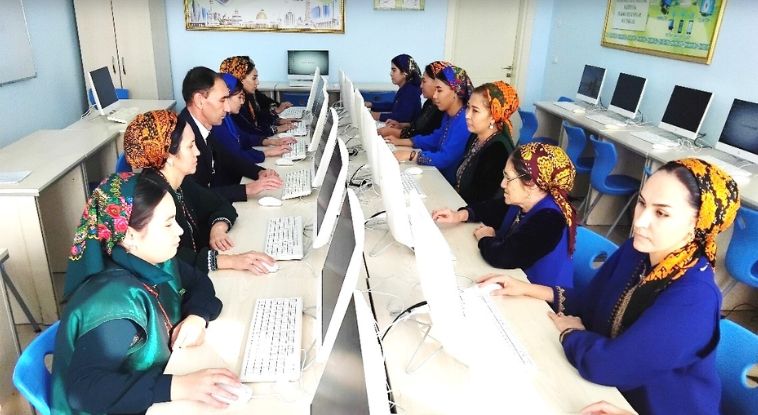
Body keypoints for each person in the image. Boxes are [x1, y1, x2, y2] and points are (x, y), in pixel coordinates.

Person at [481, 158, 740, 414]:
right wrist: (526, 288)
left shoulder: (695, 297)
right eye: (642, 203)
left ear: (698, 225)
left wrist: (570, 334)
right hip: (604, 390)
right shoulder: (636, 252)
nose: (640, 222)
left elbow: (609, 366)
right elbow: (590, 301)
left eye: (661, 213)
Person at [51, 173, 239, 413]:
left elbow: (199, 282)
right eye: (168, 224)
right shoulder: (115, 303)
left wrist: (197, 317)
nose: (180, 231)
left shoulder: (153, 260)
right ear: (129, 236)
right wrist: (179, 386)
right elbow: (85, 392)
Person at [125, 109, 277, 275]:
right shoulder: (154, 199)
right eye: (190, 146)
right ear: (168, 156)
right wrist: (229, 261)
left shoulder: (181, 182)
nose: (197, 152)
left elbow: (220, 203)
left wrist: (218, 228)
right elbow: (168, 259)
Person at [432, 142, 577, 287]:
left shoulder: (550, 219)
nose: (502, 184)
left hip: (536, 295)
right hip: (513, 280)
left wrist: (484, 238)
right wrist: (460, 215)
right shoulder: (523, 200)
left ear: (531, 184)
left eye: (508, 178)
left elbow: (504, 256)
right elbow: (491, 209)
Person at [179, 66, 282, 202]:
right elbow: (194, 196)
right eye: (222, 100)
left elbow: (227, 157)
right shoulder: (182, 137)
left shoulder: (202, 125)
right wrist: (247, 189)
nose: (227, 108)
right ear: (200, 101)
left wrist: (259, 172)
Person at [391, 64, 473, 184]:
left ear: (456, 91)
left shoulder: (464, 121)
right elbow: (435, 138)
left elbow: (445, 158)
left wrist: (412, 155)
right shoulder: (450, 115)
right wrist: (400, 142)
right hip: (439, 176)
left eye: (439, 90)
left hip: (449, 185)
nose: (434, 96)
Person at [211, 73, 290, 186]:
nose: (242, 101)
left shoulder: (227, 117)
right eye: (239, 97)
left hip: (238, 175)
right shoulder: (217, 122)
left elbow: (243, 137)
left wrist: (270, 142)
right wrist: (266, 153)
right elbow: (234, 155)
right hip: (229, 183)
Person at [454, 81, 519, 203]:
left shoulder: (498, 150)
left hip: (473, 212)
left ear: (493, 116)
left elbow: (487, 201)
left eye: (475, 110)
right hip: (459, 202)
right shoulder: (475, 137)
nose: (467, 115)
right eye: (468, 107)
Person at [219, 56, 295, 137]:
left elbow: (257, 117)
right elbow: (248, 132)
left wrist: (277, 120)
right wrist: (274, 129)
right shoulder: (233, 104)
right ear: (240, 78)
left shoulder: (247, 95)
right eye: (254, 78)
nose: (258, 82)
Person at [377, 60, 446, 140]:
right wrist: (401, 125)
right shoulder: (429, 103)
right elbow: (418, 125)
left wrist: (393, 132)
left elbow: (426, 136)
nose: (421, 86)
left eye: (424, 81)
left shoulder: (441, 109)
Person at [370, 54, 422, 122]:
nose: (391, 73)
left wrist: (377, 116)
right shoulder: (405, 88)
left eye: (394, 70)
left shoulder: (410, 91)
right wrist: (371, 104)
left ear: (405, 73)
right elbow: (393, 106)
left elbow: (402, 117)